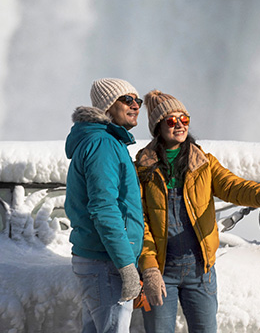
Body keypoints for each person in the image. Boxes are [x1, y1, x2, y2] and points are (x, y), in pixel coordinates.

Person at [136, 89, 260, 333]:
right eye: (171, 121)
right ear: (158, 127)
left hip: (200, 269)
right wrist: (149, 268)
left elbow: (233, 186)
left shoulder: (203, 163)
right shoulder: (143, 170)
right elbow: (139, 222)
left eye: (184, 119)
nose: (180, 125)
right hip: (162, 270)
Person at [64, 78, 145, 333]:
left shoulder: (104, 141)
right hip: (106, 261)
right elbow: (104, 209)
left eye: (138, 100)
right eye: (127, 100)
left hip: (99, 258)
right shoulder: (104, 145)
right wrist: (126, 266)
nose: (135, 106)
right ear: (108, 106)